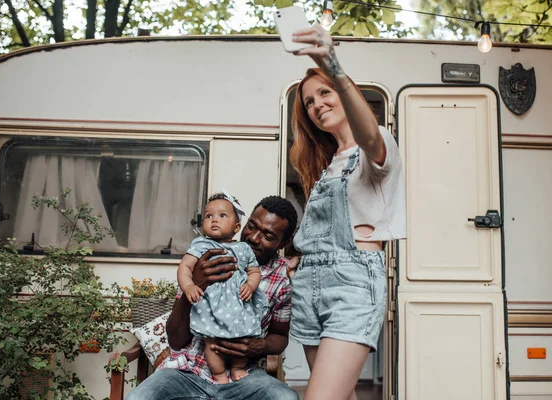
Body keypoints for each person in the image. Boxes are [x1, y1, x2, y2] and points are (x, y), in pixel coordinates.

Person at [286, 25, 407, 400]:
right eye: (309, 102)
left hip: (353, 281)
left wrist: (330, 62)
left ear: (344, 91)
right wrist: (299, 258)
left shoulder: (376, 145)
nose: (318, 104)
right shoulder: (326, 166)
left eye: (325, 92)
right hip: (309, 286)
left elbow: (368, 134)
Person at [127, 196, 299, 400]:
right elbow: (176, 339)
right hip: (187, 371)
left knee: (285, 397)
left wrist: (258, 346)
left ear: (285, 242)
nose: (253, 238)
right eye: (251, 226)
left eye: (268, 236)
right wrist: (196, 283)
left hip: (244, 376)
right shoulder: (209, 255)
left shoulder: (282, 277)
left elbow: (280, 337)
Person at [177, 191, 268, 383]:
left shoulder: (244, 249)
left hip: (240, 306)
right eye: (209, 216)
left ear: (236, 227)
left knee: (243, 336)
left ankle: (237, 368)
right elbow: (185, 267)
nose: (214, 220)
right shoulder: (200, 245)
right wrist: (189, 286)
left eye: (222, 215)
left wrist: (251, 286)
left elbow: (254, 271)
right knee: (212, 342)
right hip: (212, 306)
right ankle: (218, 375)